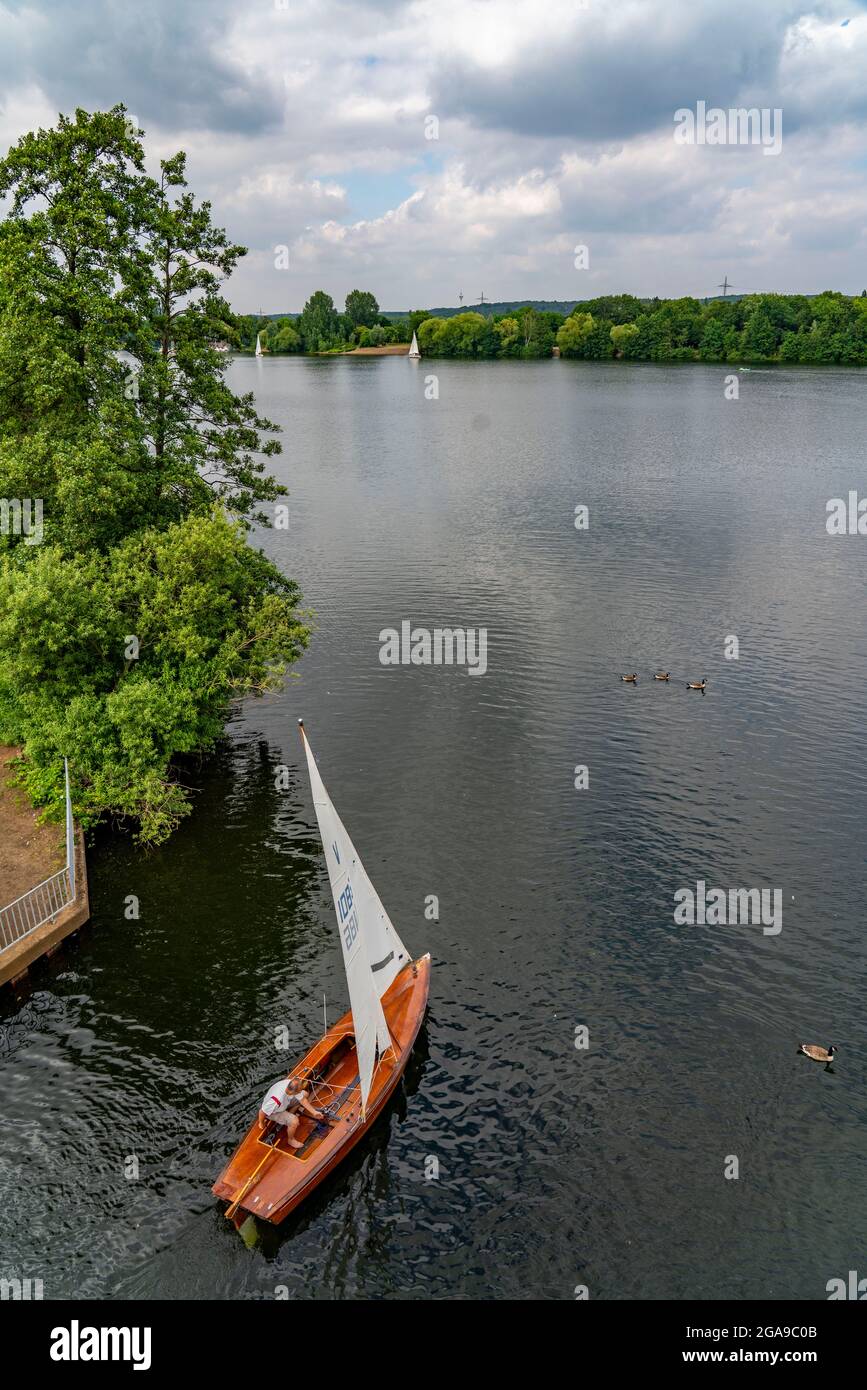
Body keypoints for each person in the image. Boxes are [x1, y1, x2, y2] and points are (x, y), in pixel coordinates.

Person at [259, 1077, 328, 1151]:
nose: (299, 1092)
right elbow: (262, 1111)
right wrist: (261, 1123)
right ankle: (291, 1140)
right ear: (293, 1093)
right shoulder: (275, 1100)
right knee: (294, 1121)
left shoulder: (291, 1084)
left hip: (283, 1104)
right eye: (298, 1092)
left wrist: (314, 1112)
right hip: (274, 1111)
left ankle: (290, 1112)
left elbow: (302, 1099)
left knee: (305, 1094)